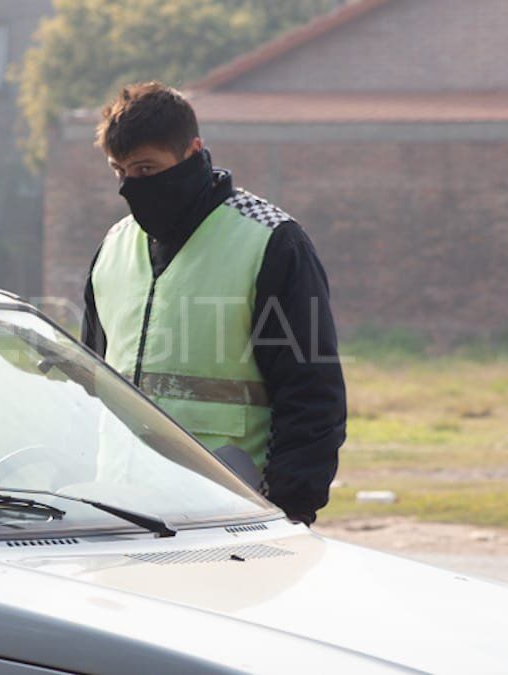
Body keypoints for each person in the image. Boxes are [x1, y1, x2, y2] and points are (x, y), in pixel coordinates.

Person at [81, 82, 346, 525]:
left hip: (232, 514)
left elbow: (313, 395)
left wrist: (289, 510)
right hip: (120, 512)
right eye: (120, 171)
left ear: (192, 151)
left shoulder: (271, 241)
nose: (132, 186)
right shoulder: (114, 247)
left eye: (146, 169)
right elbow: (92, 383)